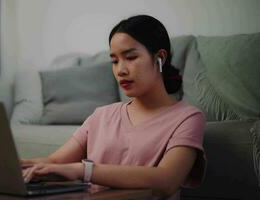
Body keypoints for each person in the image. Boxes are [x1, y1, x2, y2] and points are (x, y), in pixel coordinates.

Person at [21, 15, 206, 199]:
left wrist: (84, 170)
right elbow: (54, 161)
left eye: (131, 57)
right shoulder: (102, 115)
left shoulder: (188, 118)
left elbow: (167, 181)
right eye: (115, 61)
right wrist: (15, 166)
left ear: (160, 58)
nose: (120, 70)